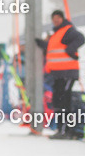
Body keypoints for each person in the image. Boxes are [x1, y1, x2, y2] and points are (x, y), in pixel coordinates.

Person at [36, 10, 84, 139]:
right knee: (58, 101)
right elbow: (55, 48)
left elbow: (80, 38)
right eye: (54, 18)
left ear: (62, 18)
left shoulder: (67, 30)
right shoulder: (57, 33)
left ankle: (65, 130)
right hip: (58, 74)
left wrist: (71, 49)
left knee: (64, 101)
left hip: (67, 73)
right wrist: (42, 44)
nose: (55, 20)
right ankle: (61, 129)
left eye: (58, 18)